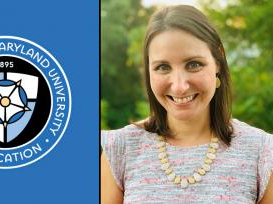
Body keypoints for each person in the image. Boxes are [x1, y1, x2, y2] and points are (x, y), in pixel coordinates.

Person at [100, 5, 273, 204]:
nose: (180, 86)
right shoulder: (120, 149)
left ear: (218, 59)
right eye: (163, 67)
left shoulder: (261, 152)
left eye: (193, 64)